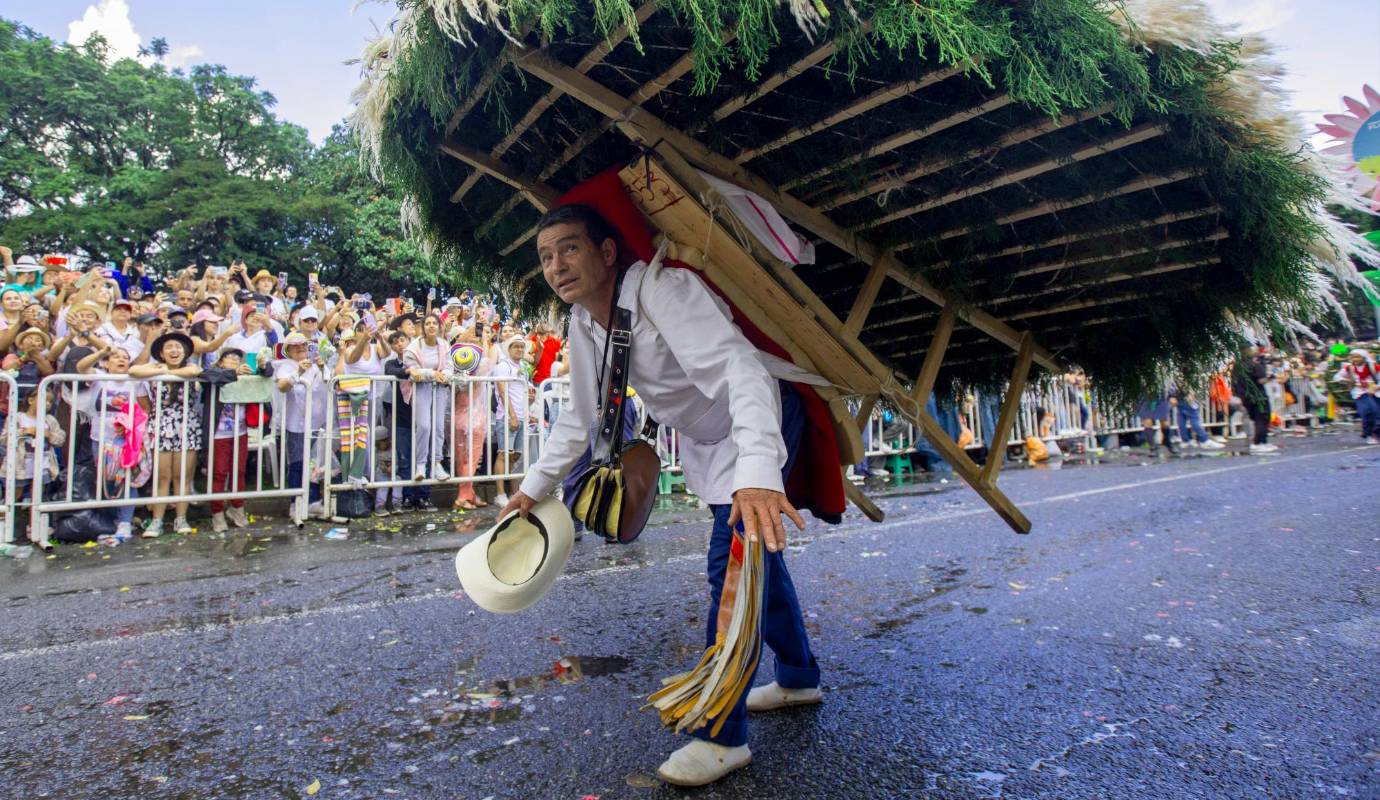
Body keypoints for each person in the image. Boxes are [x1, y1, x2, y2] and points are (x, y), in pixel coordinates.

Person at [500, 204, 819, 786]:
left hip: (757, 420)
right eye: (546, 257)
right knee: (754, 564)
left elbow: (740, 367)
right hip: (708, 441)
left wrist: (757, 472)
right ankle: (799, 676)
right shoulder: (582, 322)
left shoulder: (664, 291)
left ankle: (720, 737)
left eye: (569, 248)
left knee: (733, 565)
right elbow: (581, 414)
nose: (556, 266)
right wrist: (531, 489)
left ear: (606, 252)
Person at [130, 330, 204, 536]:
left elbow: (193, 372)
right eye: (169, 347)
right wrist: (157, 370)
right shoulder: (154, 367)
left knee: (183, 476)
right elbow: (134, 371)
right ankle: (157, 520)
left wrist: (167, 373)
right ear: (162, 353)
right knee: (162, 476)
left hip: (186, 426)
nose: (174, 350)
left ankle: (181, 519)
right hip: (162, 425)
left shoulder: (189, 367)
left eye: (178, 347)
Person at [488, 336, 530, 505]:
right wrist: (512, 415)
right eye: (516, 347)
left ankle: (514, 493)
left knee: (515, 456)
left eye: (522, 347)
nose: (519, 349)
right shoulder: (503, 366)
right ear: (509, 348)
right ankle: (500, 494)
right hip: (507, 416)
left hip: (521, 416)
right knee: (504, 454)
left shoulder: (523, 367)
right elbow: (502, 391)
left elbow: (525, 392)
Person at [1232, 346, 1276, 454]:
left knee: (1254, 419)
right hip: (1258, 396)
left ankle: (1258, 442)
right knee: (1262, 419)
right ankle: (1259, 442)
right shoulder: (1255, 366)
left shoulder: (1237, 367)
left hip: (1244, 396)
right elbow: (1261, 380)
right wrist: (1271, 377)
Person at [1333, 348, 1380, 444]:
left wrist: (1375, 387)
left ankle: (1375, 434)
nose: (1355, 359)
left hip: (1375, 392)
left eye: (1357, 357)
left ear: (1363, 358)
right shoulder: (1349, 368)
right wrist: (1346, 380)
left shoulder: (1373, 367)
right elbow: (1337, 377)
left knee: (1376, 413)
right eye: (1353, 357)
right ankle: (1370, 434)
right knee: (1367, 411)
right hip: (1360, 393)